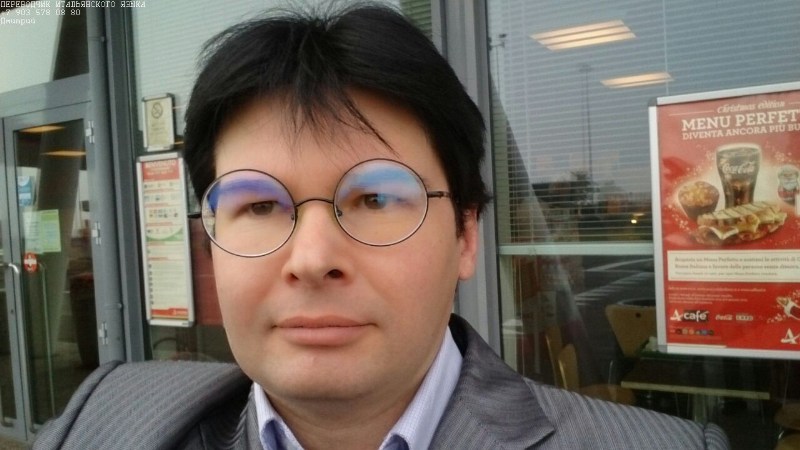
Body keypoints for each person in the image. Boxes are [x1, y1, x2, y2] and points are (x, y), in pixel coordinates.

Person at [35, 2, 730, 449]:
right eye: (260, 205)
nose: (312, 258)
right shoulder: (103, 420)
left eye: (373, 198)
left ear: (465, 235)